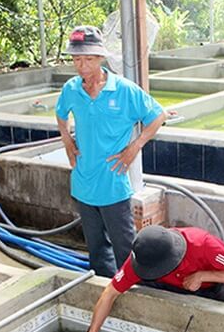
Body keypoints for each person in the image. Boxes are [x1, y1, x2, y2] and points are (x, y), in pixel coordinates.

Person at [55, 25, 166, 278]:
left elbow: (157, 116)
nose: (82, 66)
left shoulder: (124, 90)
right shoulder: (71, 89)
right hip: (83, 182)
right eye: (77, 59)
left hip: (113, 184)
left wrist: (134, 147)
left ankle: (133, 288)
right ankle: (106, 287)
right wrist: (67, 140)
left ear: (101, 58)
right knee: (96, 249)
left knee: (125, 247)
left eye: (89, 59)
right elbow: (61, 115)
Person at [86, 225, 224, 332]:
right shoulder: (141, 258)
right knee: (142, 287)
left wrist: (203, 275)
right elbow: (109, 293)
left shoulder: (202, 244)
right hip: (174, 286)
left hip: (211, 286)